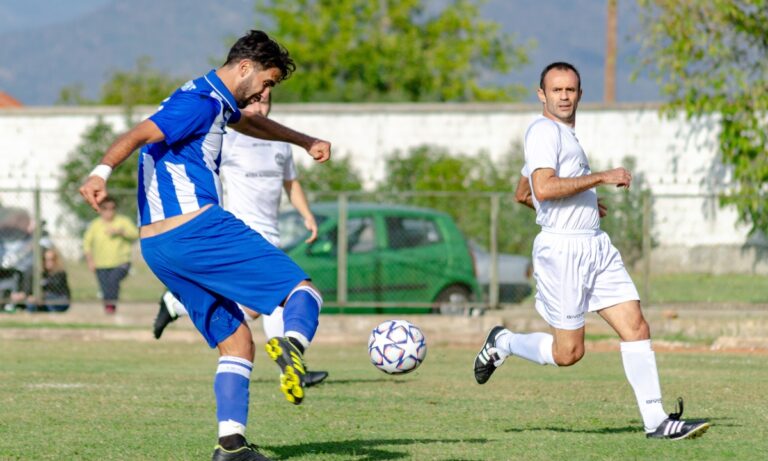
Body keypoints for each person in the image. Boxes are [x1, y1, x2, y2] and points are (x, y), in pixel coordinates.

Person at [79, 30, 330, 461]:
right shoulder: (199, 103)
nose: (265, 92)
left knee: (236, 341)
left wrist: (303, 140)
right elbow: (141, 133)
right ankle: (293, 345)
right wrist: (100, 171)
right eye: (267, 83)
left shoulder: (215, 101)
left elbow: (250, 122)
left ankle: (231, 446)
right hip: (198, 228)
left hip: (158, 246)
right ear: (246, 68)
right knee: (302, 292)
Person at [473, 62, 710, 441]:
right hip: (563, 251)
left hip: (595, 245)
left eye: (571, 90)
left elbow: (524, 193)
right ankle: (503, 342)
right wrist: (599, 178)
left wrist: (581, 203)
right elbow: (544, 188)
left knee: (636, 325)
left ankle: (657, 421)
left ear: (580, 94)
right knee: (569, 353)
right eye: (556, 90)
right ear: (542, 95)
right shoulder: (542, 131)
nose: (564, 96)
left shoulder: (564, 135)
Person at [152, 92, 329, 387]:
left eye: (268, 100)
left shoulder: (281, 142)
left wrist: (307, 214)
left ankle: (174, 304)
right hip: (241, 231)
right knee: (282, 294)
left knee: (259, 306)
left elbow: (290, 183)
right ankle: (292, 366)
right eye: (256, 101)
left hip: (272, 230)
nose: (262, 106)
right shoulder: (230, 139)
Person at [82, 196, 138, 314]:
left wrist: (120, 232)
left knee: (113, 281)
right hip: (101, 263)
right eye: (105, 208)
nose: (109, 211)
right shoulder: (95, 225)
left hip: (121, 262)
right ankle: (109, 309)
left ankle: (111, 306)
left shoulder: (123, 221)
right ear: (100, 209)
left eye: (112, 208)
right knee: (105, 287)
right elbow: (86, 244)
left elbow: (136, 234)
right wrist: (90, 261)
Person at [26, 247, 71, 312]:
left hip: (59, 299)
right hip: (44, 300)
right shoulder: (42, 274)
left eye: (51, 259)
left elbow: (55, 286)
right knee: (31, 303)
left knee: (44, 298)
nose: (48, 262)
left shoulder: (61, 273)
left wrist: (42, 296)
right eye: (45, 259)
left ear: (56, 260)